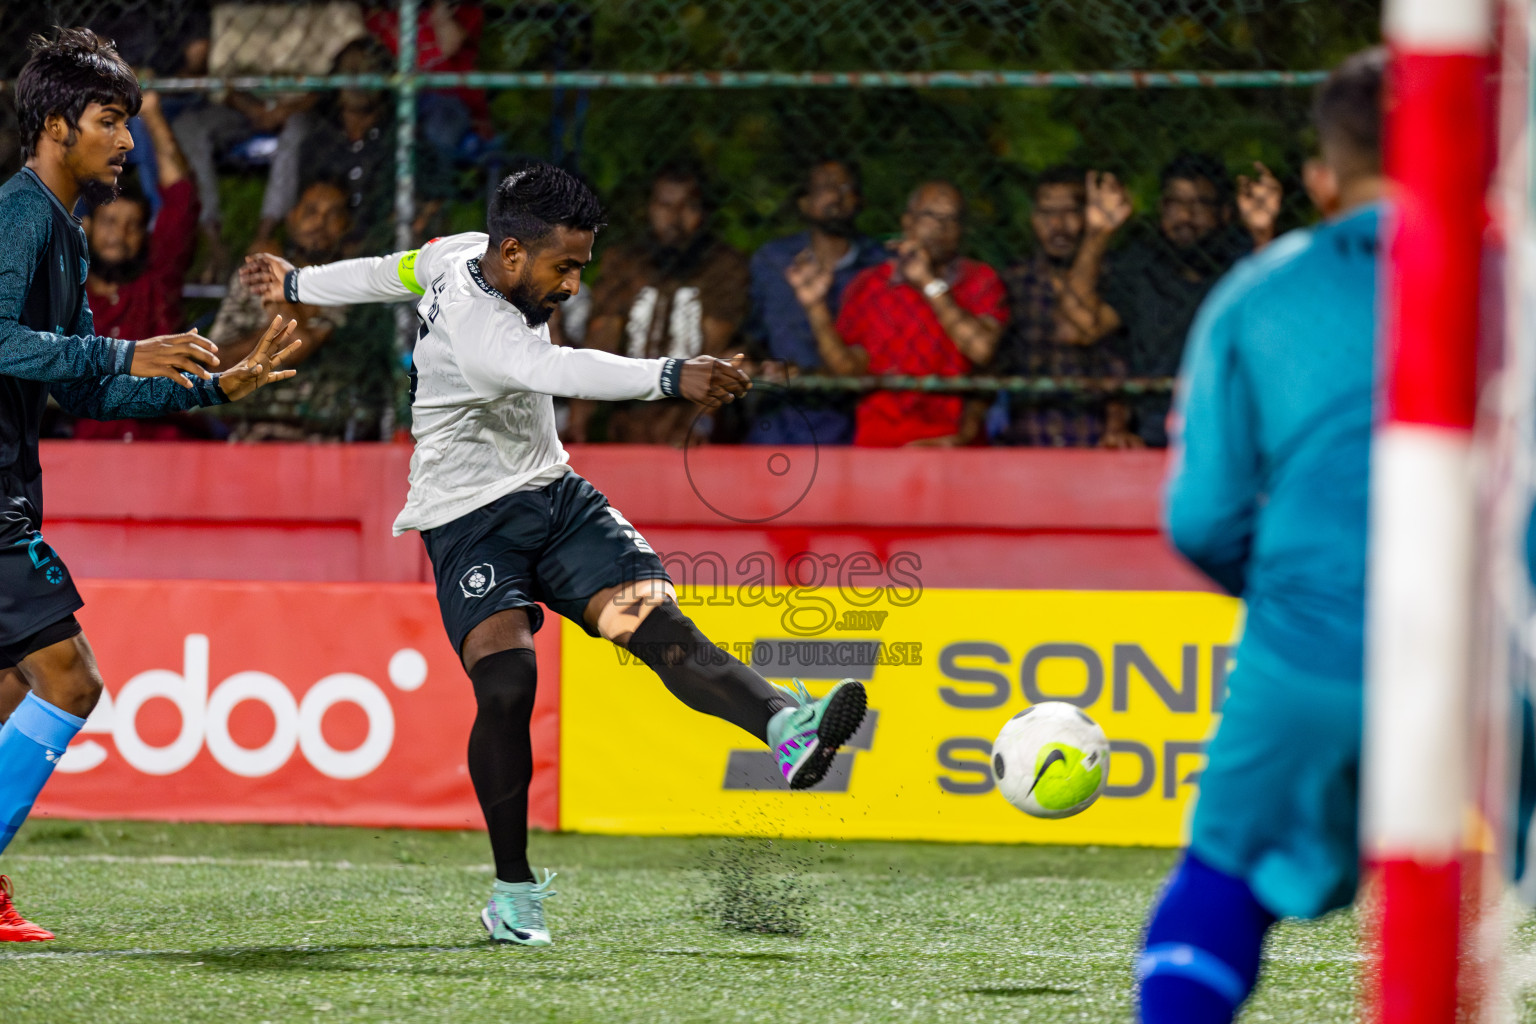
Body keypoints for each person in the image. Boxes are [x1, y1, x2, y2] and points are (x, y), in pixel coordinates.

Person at [239, 161, 868, 948]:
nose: (573, 284)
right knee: (508, 684)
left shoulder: (458, 251)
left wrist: (299, 285)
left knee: (653, 624)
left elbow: (387, 271)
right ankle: (513, 893)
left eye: (581, 265)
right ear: (511, 255)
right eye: (563, 267)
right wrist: (674, 374)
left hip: (555, 497)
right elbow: (558, 368)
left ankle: (786, 726)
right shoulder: (483, 330)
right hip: (468, 518)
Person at [0, 28, 300, 942]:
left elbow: (85, 385)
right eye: (109, 120)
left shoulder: (63, 229)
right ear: (56, 124)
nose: (126, 140)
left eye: (129, 122)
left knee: (14, 697)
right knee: (69, 681)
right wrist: (127, 346)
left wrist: (214, 387)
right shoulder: (19, 215)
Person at [1135, 49, 1385, 1022]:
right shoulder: (1519, 274)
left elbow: (1202, 518)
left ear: (1321, 179)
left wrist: (1307, 595)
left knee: (1226, 875)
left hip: (1316, 640)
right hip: (1510, 643)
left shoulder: (1258, 293)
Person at [1081, 153, 1282, 446]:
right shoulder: (1141, 265)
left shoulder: (1242, 264)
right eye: (1176, 204)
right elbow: (1083, 327)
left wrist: (1263, 232)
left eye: (1200, 204)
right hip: (1148, 434)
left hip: (1231, 428)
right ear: (1162, 209)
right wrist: (1097, 234)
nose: (1185, 216)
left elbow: (1276, 325)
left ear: (1225, 212)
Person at [790, 180, 1008, 447]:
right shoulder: (870, 285)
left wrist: (929, 283)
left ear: (962, 230)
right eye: (930, 216)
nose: (941, 227)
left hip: (952, 442)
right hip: (881, 439)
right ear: (908, 222)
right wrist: (816, 308)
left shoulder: (979, 279)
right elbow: (847, 370)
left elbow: (981, 349)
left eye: (952, 219)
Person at [208, 177, 397, 440]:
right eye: (310, 212)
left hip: (321, 438)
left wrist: (273, 281)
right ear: (291, 218)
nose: (319, 224)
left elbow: (292, 343)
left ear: (347, 227)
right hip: (250, 429)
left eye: (333, 215)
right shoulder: (249, 277)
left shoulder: (349, 281)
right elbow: (216, 361)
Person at [574, 165, 751, 446]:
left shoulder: (724, 265)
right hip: (629, 408)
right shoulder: (625, 261)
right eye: (665, 206)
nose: (675, 218)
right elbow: (602, 336)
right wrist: (579, 415)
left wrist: (692, 422)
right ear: (649, 209)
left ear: (704, 212)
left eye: (687, 207)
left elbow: (716, 348)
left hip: (691, 408)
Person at [991, 165, 1133, 448]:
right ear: (1033, 219)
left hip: (1096, 436)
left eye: (1070, 212)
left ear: (1088, 215)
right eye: (1047, 213)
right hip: (1027, 437)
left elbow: (1123, 363)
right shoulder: (1015, 282)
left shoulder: (1117, 278)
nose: (1058, 224)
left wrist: (1117, 425)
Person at [745, 158, 884, 445]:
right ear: (804, 203)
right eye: (824, 187)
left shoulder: (880, 268)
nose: (836, 195)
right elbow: (752, 334)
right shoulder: (773, 262)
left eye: (845, 187)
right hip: (781, 417)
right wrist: (757, 364)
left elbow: (882, 357)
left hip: (854, 417)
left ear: (859, 200)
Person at [82, 88, 198, 342]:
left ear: (144, 235)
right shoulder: (63, 294)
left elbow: (181, 197)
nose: (120, 235)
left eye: (132, 225)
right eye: (110, 222)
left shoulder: (157, 278)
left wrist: (152, 114)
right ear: (88, 227)